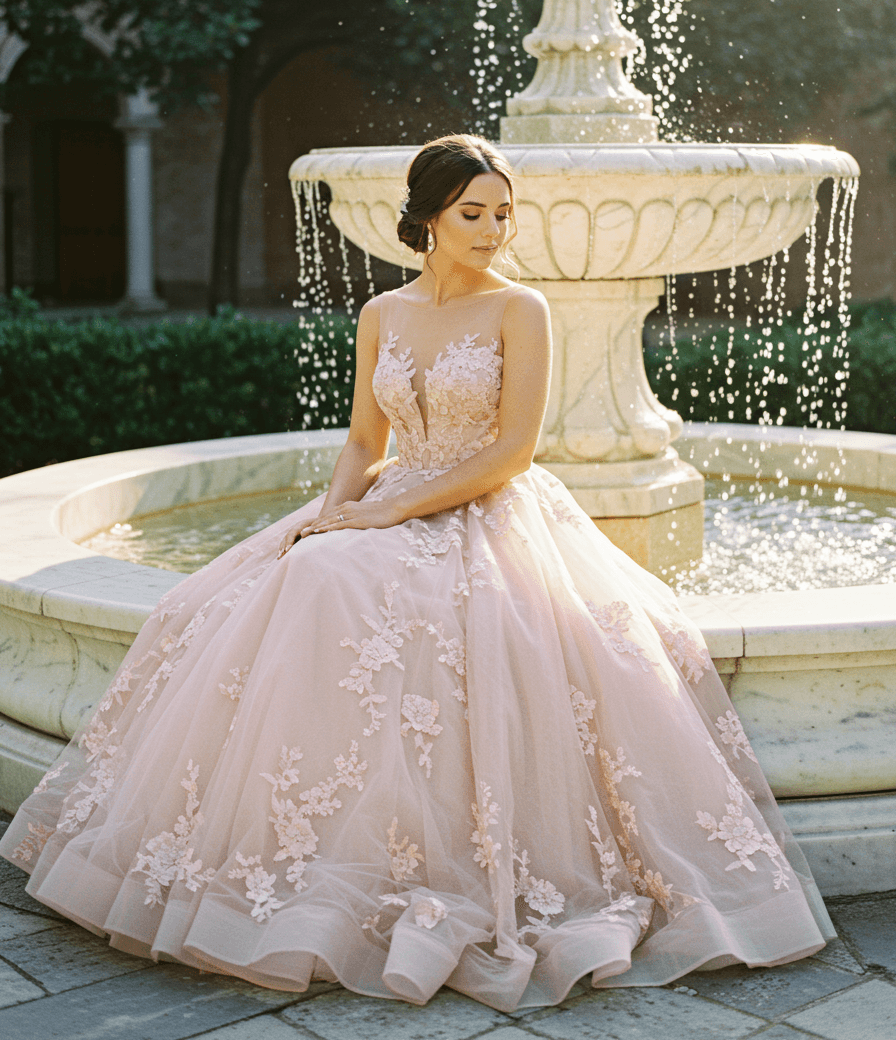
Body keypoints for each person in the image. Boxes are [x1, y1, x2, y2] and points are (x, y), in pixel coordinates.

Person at [0, 134, 833, 1011]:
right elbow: (366, 439)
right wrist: (331, 514)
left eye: (503, 213)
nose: (492, 228)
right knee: (255, 587)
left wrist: (394, 510)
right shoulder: (382, 313)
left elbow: (514, 449)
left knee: (355, 587)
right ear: (428, 217)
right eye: (473, 213)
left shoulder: (522, 308)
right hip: (391, 493)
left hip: (485, 504)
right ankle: (295, 849)